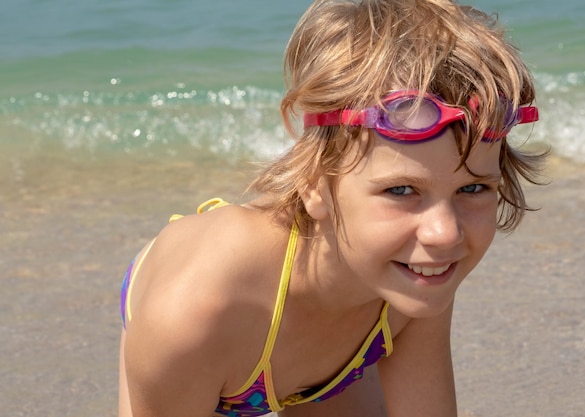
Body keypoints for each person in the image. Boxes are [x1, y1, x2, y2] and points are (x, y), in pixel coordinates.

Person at [118, 0, 547, 416]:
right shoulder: (195, 311)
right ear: (314, 183)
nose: (444, 233)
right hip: (219, 347)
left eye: (472, 188)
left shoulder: (415, 273)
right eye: (401, 191)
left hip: (337, 365)